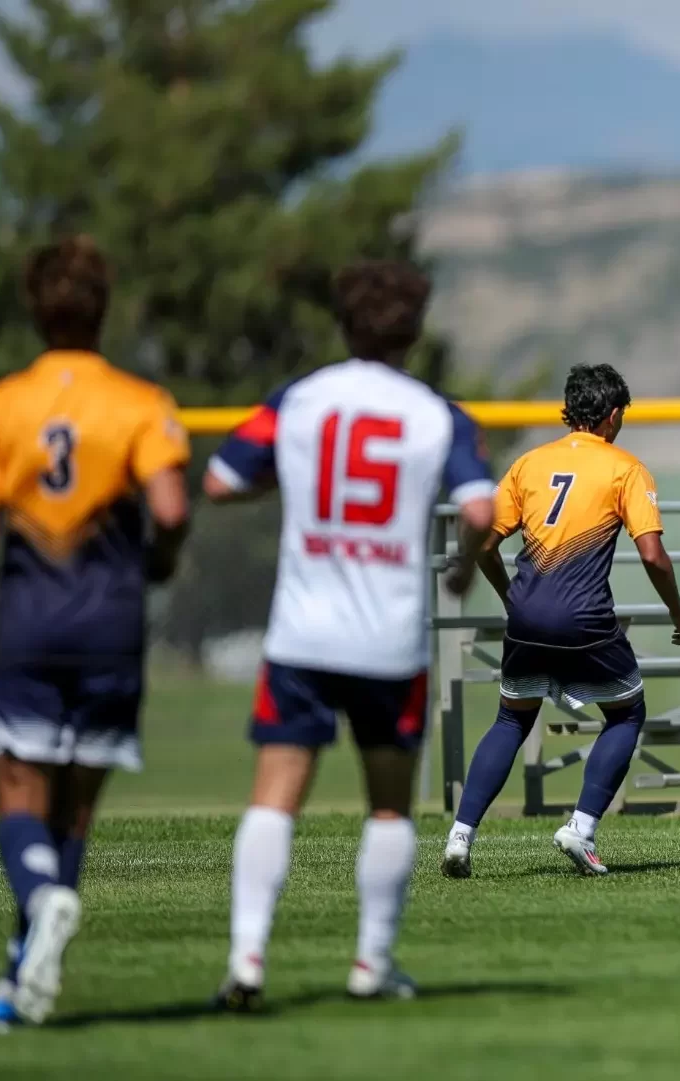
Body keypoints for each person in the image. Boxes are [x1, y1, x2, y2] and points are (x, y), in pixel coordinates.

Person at [204, 260, 494, 1008]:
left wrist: (292, 485)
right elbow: (481, 510)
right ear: (415, 328)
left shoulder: (299, 399)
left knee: (274, 796)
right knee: (390, 804)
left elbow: (220, 480)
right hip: (387, 639)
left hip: (300, 632)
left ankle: (246, 960)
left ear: (343, 320)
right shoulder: (436, 414)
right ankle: (371, 963)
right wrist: (461, 570)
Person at [0, 236, 191, 1032]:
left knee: (18, 800)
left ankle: (40, 919)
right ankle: (20, 983)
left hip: (28, 625)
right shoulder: (140, 402)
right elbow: (169, 508)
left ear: (34, 308)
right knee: (75, 817)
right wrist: (159, 560)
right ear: (102, 309)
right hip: (110, 626)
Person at [440, 363, 680, 879]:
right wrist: (678, 611)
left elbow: (485, 544)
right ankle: (580, 829)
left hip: (527, 619)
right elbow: (652, 556)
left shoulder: (529, 464)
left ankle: (460, 836)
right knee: (626, 714)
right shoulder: (625, 468)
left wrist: (511, 596)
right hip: (585, 621)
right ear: (615, 415)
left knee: (511, 717)